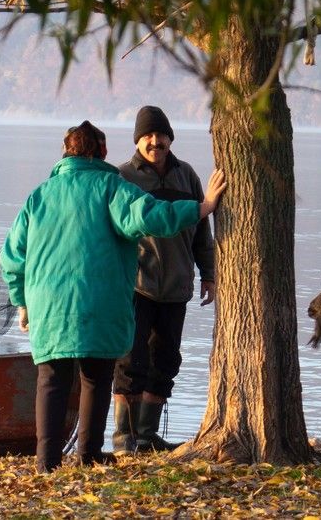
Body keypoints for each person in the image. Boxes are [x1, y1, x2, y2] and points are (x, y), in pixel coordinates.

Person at [0, 120, 227, 473]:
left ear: (66, 151)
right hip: (100, 301)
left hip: (48, 303)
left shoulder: (40, 195)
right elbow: (149, 215)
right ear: (102, 152)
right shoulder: (111, 187)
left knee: (52, 380)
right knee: (96, 376)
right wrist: (202, 207)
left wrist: (22, 302)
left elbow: (12, 255)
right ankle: (89, 454)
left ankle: (46, 462)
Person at [112, 105, 218, 455]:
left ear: (170, 138)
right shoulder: (124, 177)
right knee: (130, 360)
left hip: (177, 286)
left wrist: (209, 273)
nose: (155, 141)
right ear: (138, 140)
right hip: (136, 285)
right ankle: (123, 439)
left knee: (166, 361)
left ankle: (147, 436)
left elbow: (202, 228)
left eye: (161, 135)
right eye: (148, 136)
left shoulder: (186, 175)